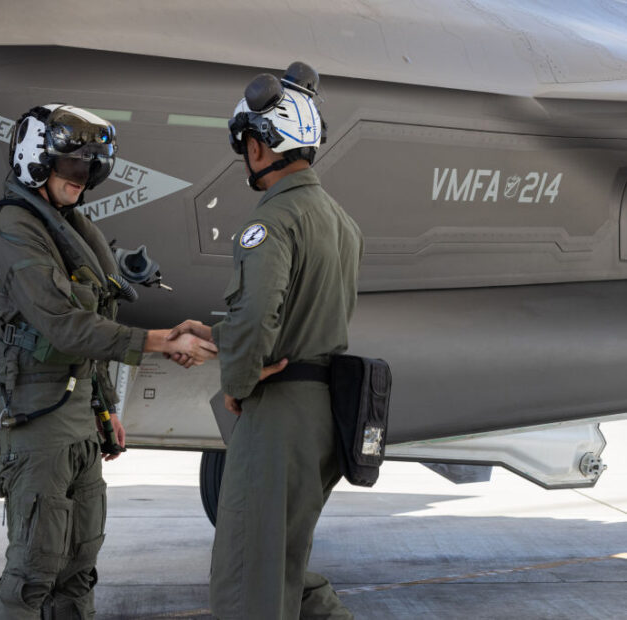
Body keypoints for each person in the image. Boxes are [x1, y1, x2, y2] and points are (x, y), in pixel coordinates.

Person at [0, 103, 217, 619]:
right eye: (70, 166)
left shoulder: (69, 229)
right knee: (32, 573)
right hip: (36, 420)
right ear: (36, 163)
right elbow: (65, 324)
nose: (81, 180)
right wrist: (160, 341)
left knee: (79, 566)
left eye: (89, 169)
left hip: (77, 418)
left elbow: (91, 330)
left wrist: (106, 409)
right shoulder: (15, 230)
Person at [169, 61, 364, 618]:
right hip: (323, 417)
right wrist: (215, 333)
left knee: (245, 579)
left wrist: (237, 378)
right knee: (283, 565)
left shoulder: (272, 222)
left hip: (277, 419)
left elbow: (260, 317)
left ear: (259, 147)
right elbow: (305, 318)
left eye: (246, 144)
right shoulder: (339, 221)